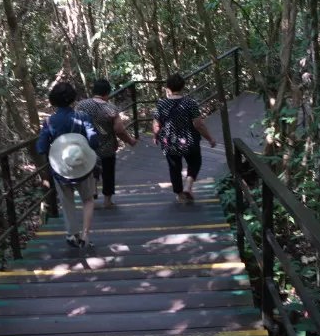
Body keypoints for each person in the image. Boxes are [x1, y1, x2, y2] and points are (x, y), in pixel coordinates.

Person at [36, 82, 100, 248]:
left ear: (53, 100)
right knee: (88, 200)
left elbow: (41, 147)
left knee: (67, 202)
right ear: (73, 99)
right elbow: (94, 142)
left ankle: (73, 235)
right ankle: (86, 234)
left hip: (62, 169)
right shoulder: (83, 117)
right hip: (83, 165)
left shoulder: (50, 121)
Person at [153, 73, 216, 203]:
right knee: (195, 162)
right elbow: (198, 124)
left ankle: (180, 195)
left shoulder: (162, 104)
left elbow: (156, 124)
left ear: (168, 87)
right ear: (183, 87)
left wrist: (156, 136)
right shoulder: (190, 103)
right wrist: (210, 138)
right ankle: (188, 185)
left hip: (169, 141)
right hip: (189, 140)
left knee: (174, 168)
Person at [76, 79, 139, 208]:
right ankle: (107, 200)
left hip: (86, 147)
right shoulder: (111, 108)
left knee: (89, 170)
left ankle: (91, 194)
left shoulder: (81, 106)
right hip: (107, 147)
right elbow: (119, 130)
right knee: (108, 173)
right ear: (107, 93)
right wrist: (130, 141)